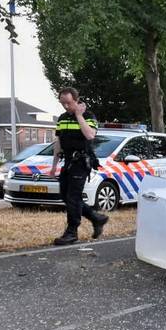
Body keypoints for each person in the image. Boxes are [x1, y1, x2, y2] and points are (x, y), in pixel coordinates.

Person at [51, 87, 108, 245]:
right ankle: (97, 218)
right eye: (63, 103)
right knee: (65, 195)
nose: (66, 106)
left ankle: (72, 232)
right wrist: (54, 165)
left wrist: (78, 115)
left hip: (82, 161)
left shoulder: (88, 116)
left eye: (68, 103)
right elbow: (58, 142)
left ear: (76, 100)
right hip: (68, 162)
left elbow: (90, 135)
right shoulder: (62, 118)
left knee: (73, 197)